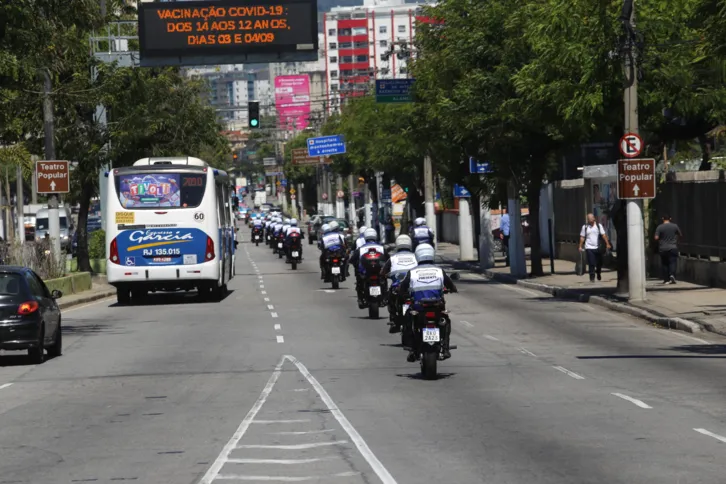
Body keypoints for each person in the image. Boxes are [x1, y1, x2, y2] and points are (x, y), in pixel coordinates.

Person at [399, 243, 458, 361]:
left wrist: (403, 294)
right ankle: (445, 349)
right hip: (437, 306)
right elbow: (451, 285)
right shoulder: (439, 271)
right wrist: (452, 289)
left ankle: (411, 348)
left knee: (407, 320)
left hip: (419, 307)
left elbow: (402, 288)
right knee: (445, 322)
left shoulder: (412, 272)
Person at [381, 235, 418, 328]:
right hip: (413, 288)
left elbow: (383, 271)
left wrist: (385, 275)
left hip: (397, 288)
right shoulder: (416, 257)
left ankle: (394, 319)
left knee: (390, 300)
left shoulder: (393, 258)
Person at [350, 228, 385, 301]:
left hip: (366, 273)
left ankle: (361, 297)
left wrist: (356, 266)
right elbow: (388, 260)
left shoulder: (361, 248)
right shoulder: (381, 248)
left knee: (359, 282)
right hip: (379, 273)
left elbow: (352, 259)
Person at [578, 213, 612, 282]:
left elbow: (603, 235)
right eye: (588, 219)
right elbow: (582, 237)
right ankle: (592, 277)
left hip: (598, 247)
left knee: (599, 263)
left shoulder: (598, 226)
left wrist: (607, 244)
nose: (590, 220)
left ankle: (598, 272)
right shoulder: (585, 227)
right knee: (591, 263)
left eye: (591, 218)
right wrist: (580, 246)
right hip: (589, 248)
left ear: (594, 219)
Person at [654, 214, 682, 284]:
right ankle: (672, 274)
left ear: (662, 218)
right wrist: (676, 240)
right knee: (673, 262)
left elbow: (656, 237)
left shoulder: (659, 227)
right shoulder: (675, 226)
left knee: (665, 264)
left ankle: (666, 279)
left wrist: (660, 239)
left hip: (663, 248)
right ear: (670, 218)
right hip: (673, 247)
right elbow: (680, 235)